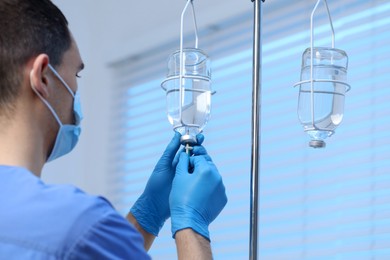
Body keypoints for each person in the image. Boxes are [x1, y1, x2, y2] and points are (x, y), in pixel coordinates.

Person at [0, 0, 227, 259]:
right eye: (77, 74)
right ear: (42, 77)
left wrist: (147, 214)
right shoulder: (77, 225)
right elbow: (81, 242)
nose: (75, 91)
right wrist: (191, 226)